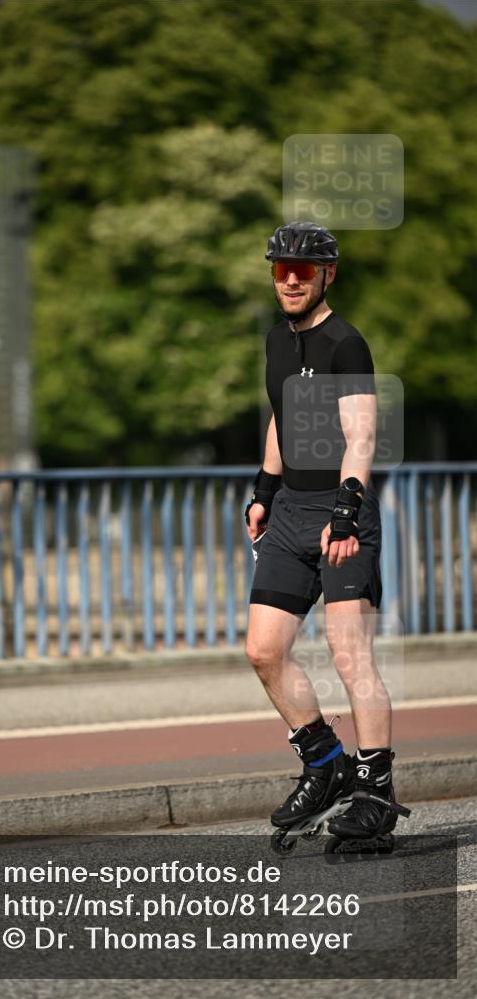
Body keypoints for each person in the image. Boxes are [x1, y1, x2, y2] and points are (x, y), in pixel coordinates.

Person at [245, 220, 404, 853]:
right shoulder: (276, 343)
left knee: (348, 653)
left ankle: (375, 791)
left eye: (302, 270)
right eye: (280, 268)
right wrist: (262, 490)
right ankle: (324, 762)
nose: (290, 278)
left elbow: (360, 434)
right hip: (288, 513)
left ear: (326, 275)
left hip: (342, 514)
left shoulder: (347, 344)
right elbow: (283, 424)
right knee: (263, 650)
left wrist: (347, 508)